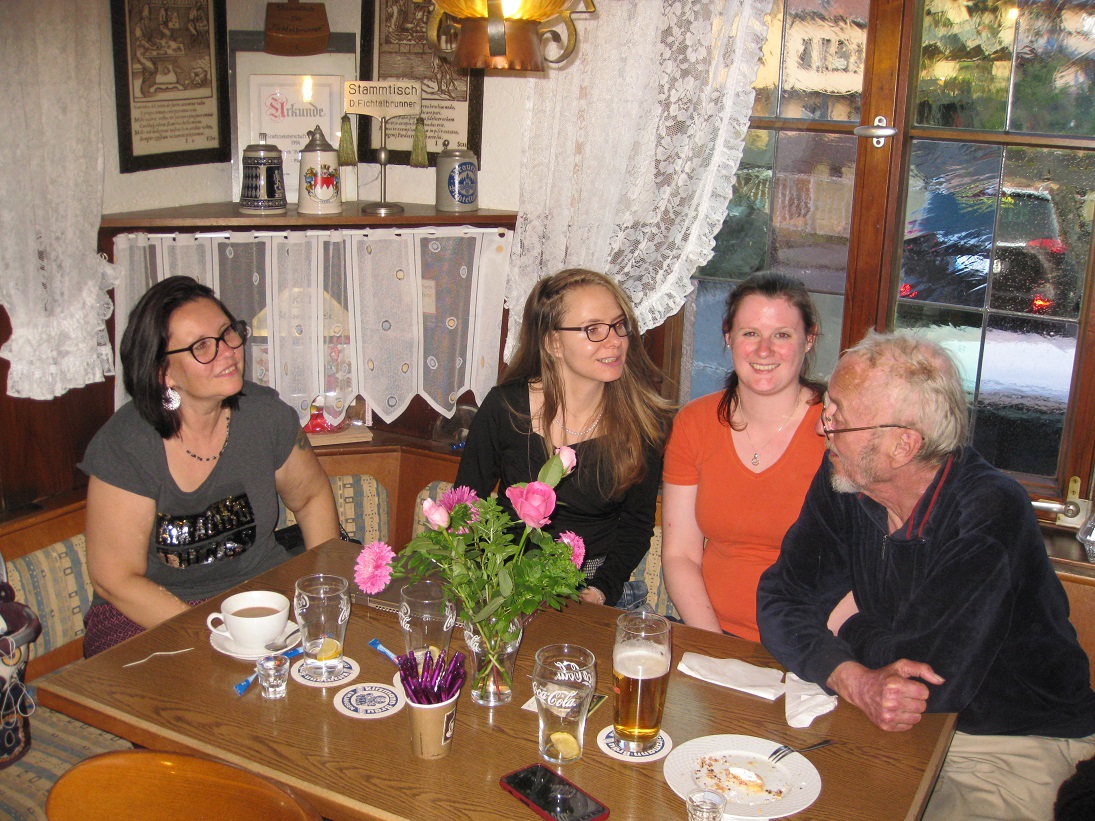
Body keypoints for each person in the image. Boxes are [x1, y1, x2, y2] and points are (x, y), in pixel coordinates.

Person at [756, 331, 1095, 820]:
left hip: (1008, 742)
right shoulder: (848, 479)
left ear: (903, 445)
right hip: (877, 714)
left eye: (837, 418)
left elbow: (929, 682)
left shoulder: (989, 511)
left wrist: (847, 623)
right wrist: (854, 679)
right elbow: (780, 597)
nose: (820, 428)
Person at [80, 276, 340, 656]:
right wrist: (212, 635)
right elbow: (114, 579)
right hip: (148, 610)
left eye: (228, 333)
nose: (228, 351)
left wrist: (323, 590)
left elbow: (311, 497)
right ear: (163, 372)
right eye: (202, 346)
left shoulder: (265, 415)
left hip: (256, 595)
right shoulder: (126, 445)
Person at [455, 268, 674, 608]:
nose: (615, 341)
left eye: (619, 325)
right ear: (553, 343)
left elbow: (636, 525)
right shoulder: (505, 408)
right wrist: (481, 582)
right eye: (593, 330)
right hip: (505, 584)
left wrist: (599, 591)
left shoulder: (644, 422)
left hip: (593, 589)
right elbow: (466, 506)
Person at [662, 273, 826, 641]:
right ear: (728, 337)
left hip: (812, 643)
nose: (764, 350)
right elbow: (680, 555)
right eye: (750, 333)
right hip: (712, 633)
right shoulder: (694, 423)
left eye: (781, 335)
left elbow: (861, 569)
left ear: (808, 340)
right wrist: (714, 646)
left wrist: (817, 654)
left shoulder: (837, 429)